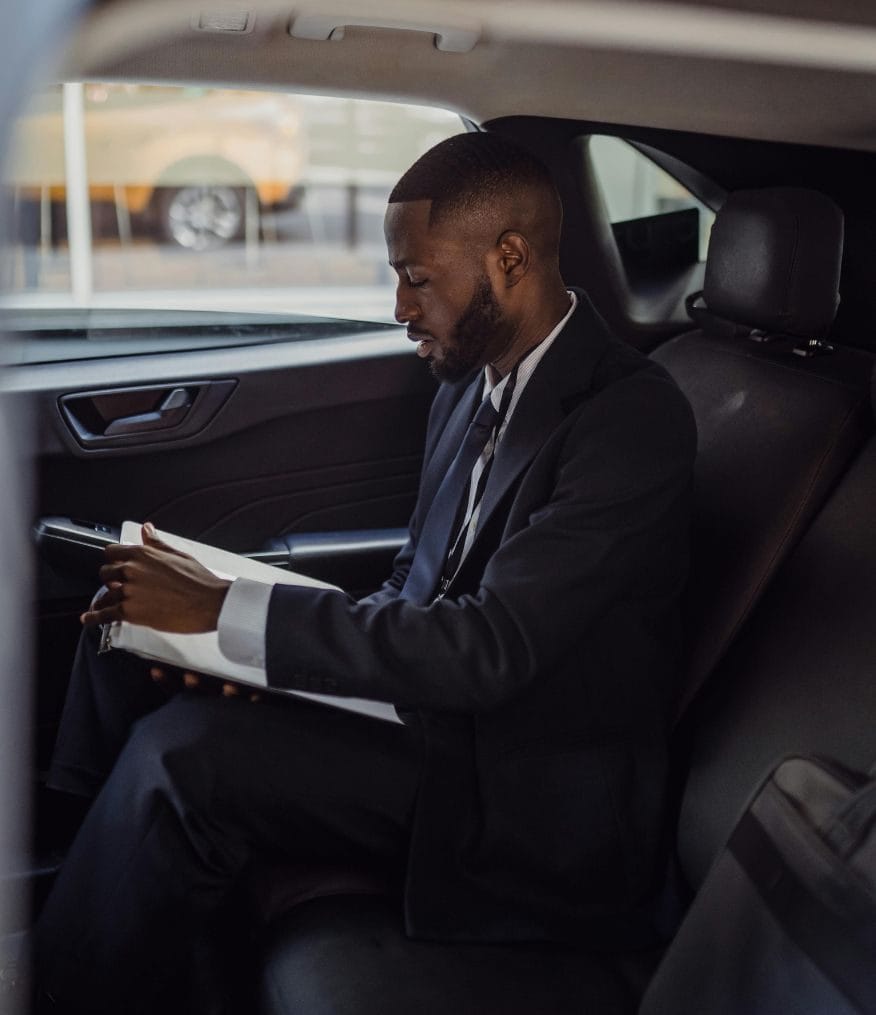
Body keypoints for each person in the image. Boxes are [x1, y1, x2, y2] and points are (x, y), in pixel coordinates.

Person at [34, 133, 697, 1013]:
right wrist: (247, 651)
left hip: (523, 781)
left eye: (417, 278)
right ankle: (82, 910)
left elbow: (493, 646)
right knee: (126, 632)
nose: (398, 307)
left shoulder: (632, 419)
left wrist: (234, 612)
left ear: (510, 258)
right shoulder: (469, 384)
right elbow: (410, 584)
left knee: (186, 756)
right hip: (431, 715)